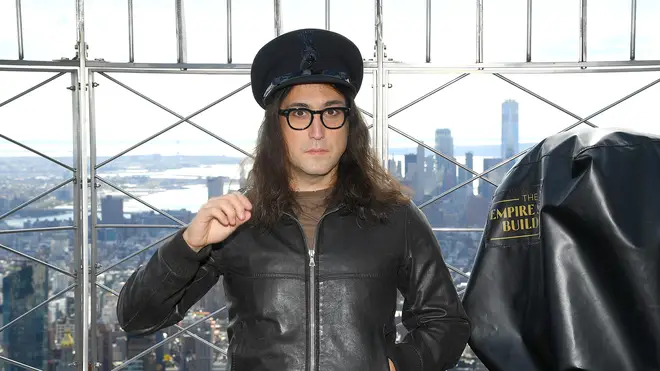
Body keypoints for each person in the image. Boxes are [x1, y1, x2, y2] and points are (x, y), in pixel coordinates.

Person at [117, 28, 471, 371]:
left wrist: (396, 365)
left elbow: (447, 321)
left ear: (350, 125)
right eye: (299, 113)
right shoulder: (238, 219)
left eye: (332, 112)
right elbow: (136, 318)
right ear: (276, 127)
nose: (317, 131)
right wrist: (189, 244)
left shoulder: (394, 216)